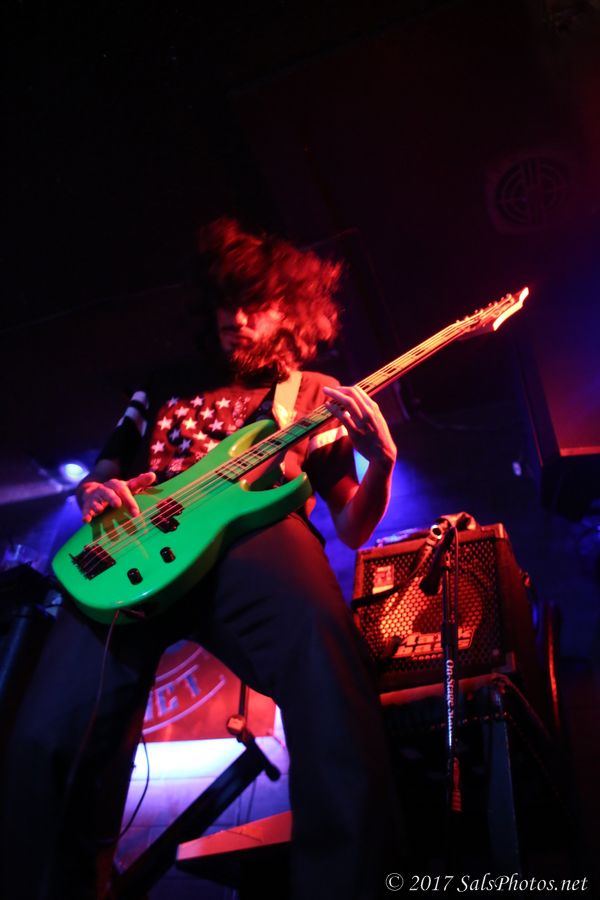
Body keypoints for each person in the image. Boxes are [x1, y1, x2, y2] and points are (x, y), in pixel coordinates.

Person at [0, 218, 401, 899]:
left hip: (256, 532)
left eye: (255, 304)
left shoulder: (312, 393)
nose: (235, 319)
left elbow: (352, 525)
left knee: (330, 686)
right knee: (48, 732)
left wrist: (382, 463)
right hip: (139, 539)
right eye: (226, 302)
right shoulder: (164, 384)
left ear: (290, 314)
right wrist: (97, 492)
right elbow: (98, 477)